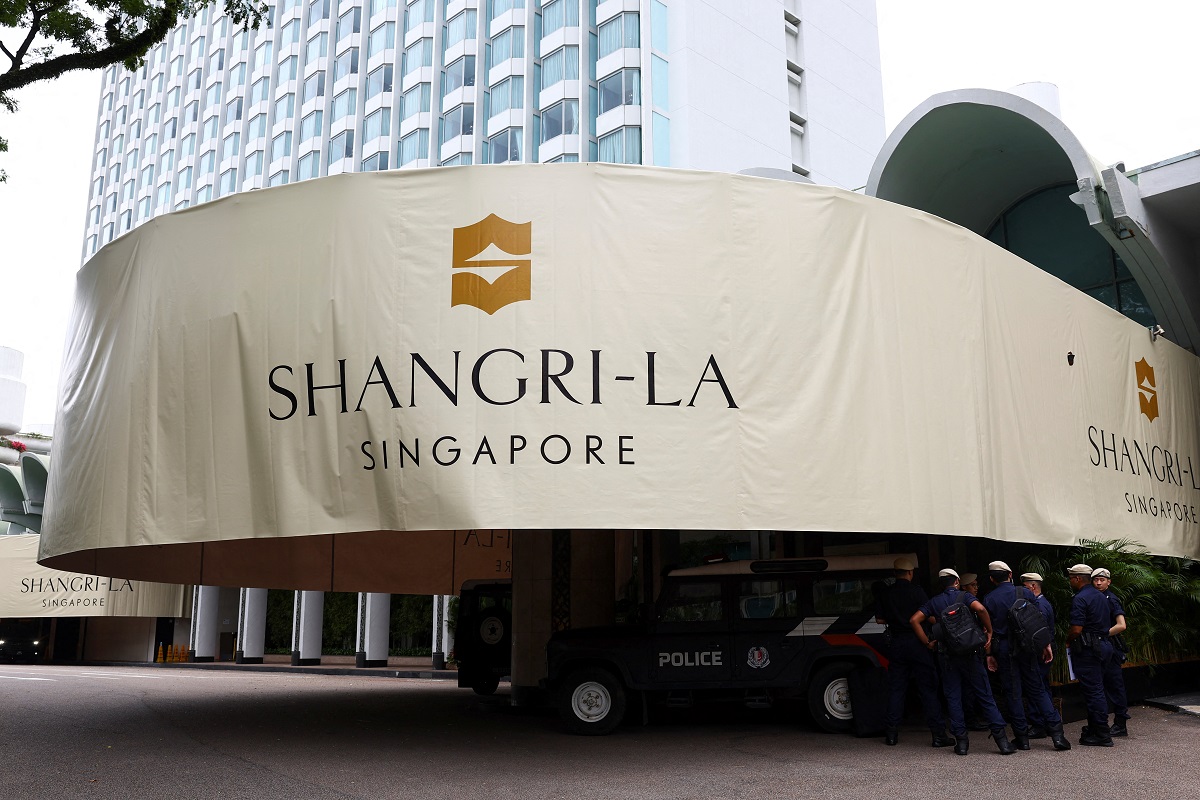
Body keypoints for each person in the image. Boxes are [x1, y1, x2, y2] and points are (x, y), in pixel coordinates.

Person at [910, 568, 1016, 756]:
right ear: (957, 582)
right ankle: (1002, 743)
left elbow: (914, 620)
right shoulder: (965, 597)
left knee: (953, 697)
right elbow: (981, 609)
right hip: (971, 653)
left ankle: (961, 744)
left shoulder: (934, 602)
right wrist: (989, 631)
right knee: (985, 695)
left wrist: (927, 643)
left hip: (947, 656)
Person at [982, 561, 1071, 751]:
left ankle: (1022, 738)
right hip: (1027, 648)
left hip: (1004, 649)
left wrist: (989, 654)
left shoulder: (989, 599)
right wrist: (1045, 644)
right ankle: (1057, 736)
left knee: (1013, 693)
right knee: (1038, 689)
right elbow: (1038, 622)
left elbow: (987, 631)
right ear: (1010, 574)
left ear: (991, 579)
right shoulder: (1025, 593)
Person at [874, 557, 953, 747]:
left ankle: (891, 734)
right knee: (928, 689)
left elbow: (879, 620)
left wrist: (896, 619)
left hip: (897, 643)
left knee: (896, 689)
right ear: (910, 573)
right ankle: (938, 735)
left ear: (895, 573)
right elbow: (929, 616)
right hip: (918, 642)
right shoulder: (917, 592)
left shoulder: (886, 593)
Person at [1066, 563, 1121, 746]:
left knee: (1094, 691)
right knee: (1097, 689)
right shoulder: (1102, 596)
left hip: (1089, 649)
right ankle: (1094, 729)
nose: (1070, 581)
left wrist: (1068, 640)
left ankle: (1102, 734)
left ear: (1078, 578)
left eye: (1071, 578)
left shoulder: (1080, 598)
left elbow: (1076, 628)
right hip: (1104, 646)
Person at [1092, 567, 1130, 737]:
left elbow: (1121, 625)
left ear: (1109, 582)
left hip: (1111, 647)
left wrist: (1103, 634)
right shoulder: (1095, 597)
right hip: (1101, 647)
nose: (1098, 583)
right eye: (1096, 580)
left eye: (1102, 580)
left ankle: (1121, 723)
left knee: (1115, 685)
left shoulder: (1111, 599)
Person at [1019, 571, 1055, 735]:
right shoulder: (1043, 603)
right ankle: (1047, 720)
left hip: (1039, 652)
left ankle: (1039, 723)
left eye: (1025, 587)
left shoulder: (1039, 605)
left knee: (1036, 687)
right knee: (1042, 686)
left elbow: (1039, 631)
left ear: (1033, 586)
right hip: (1043, 650)